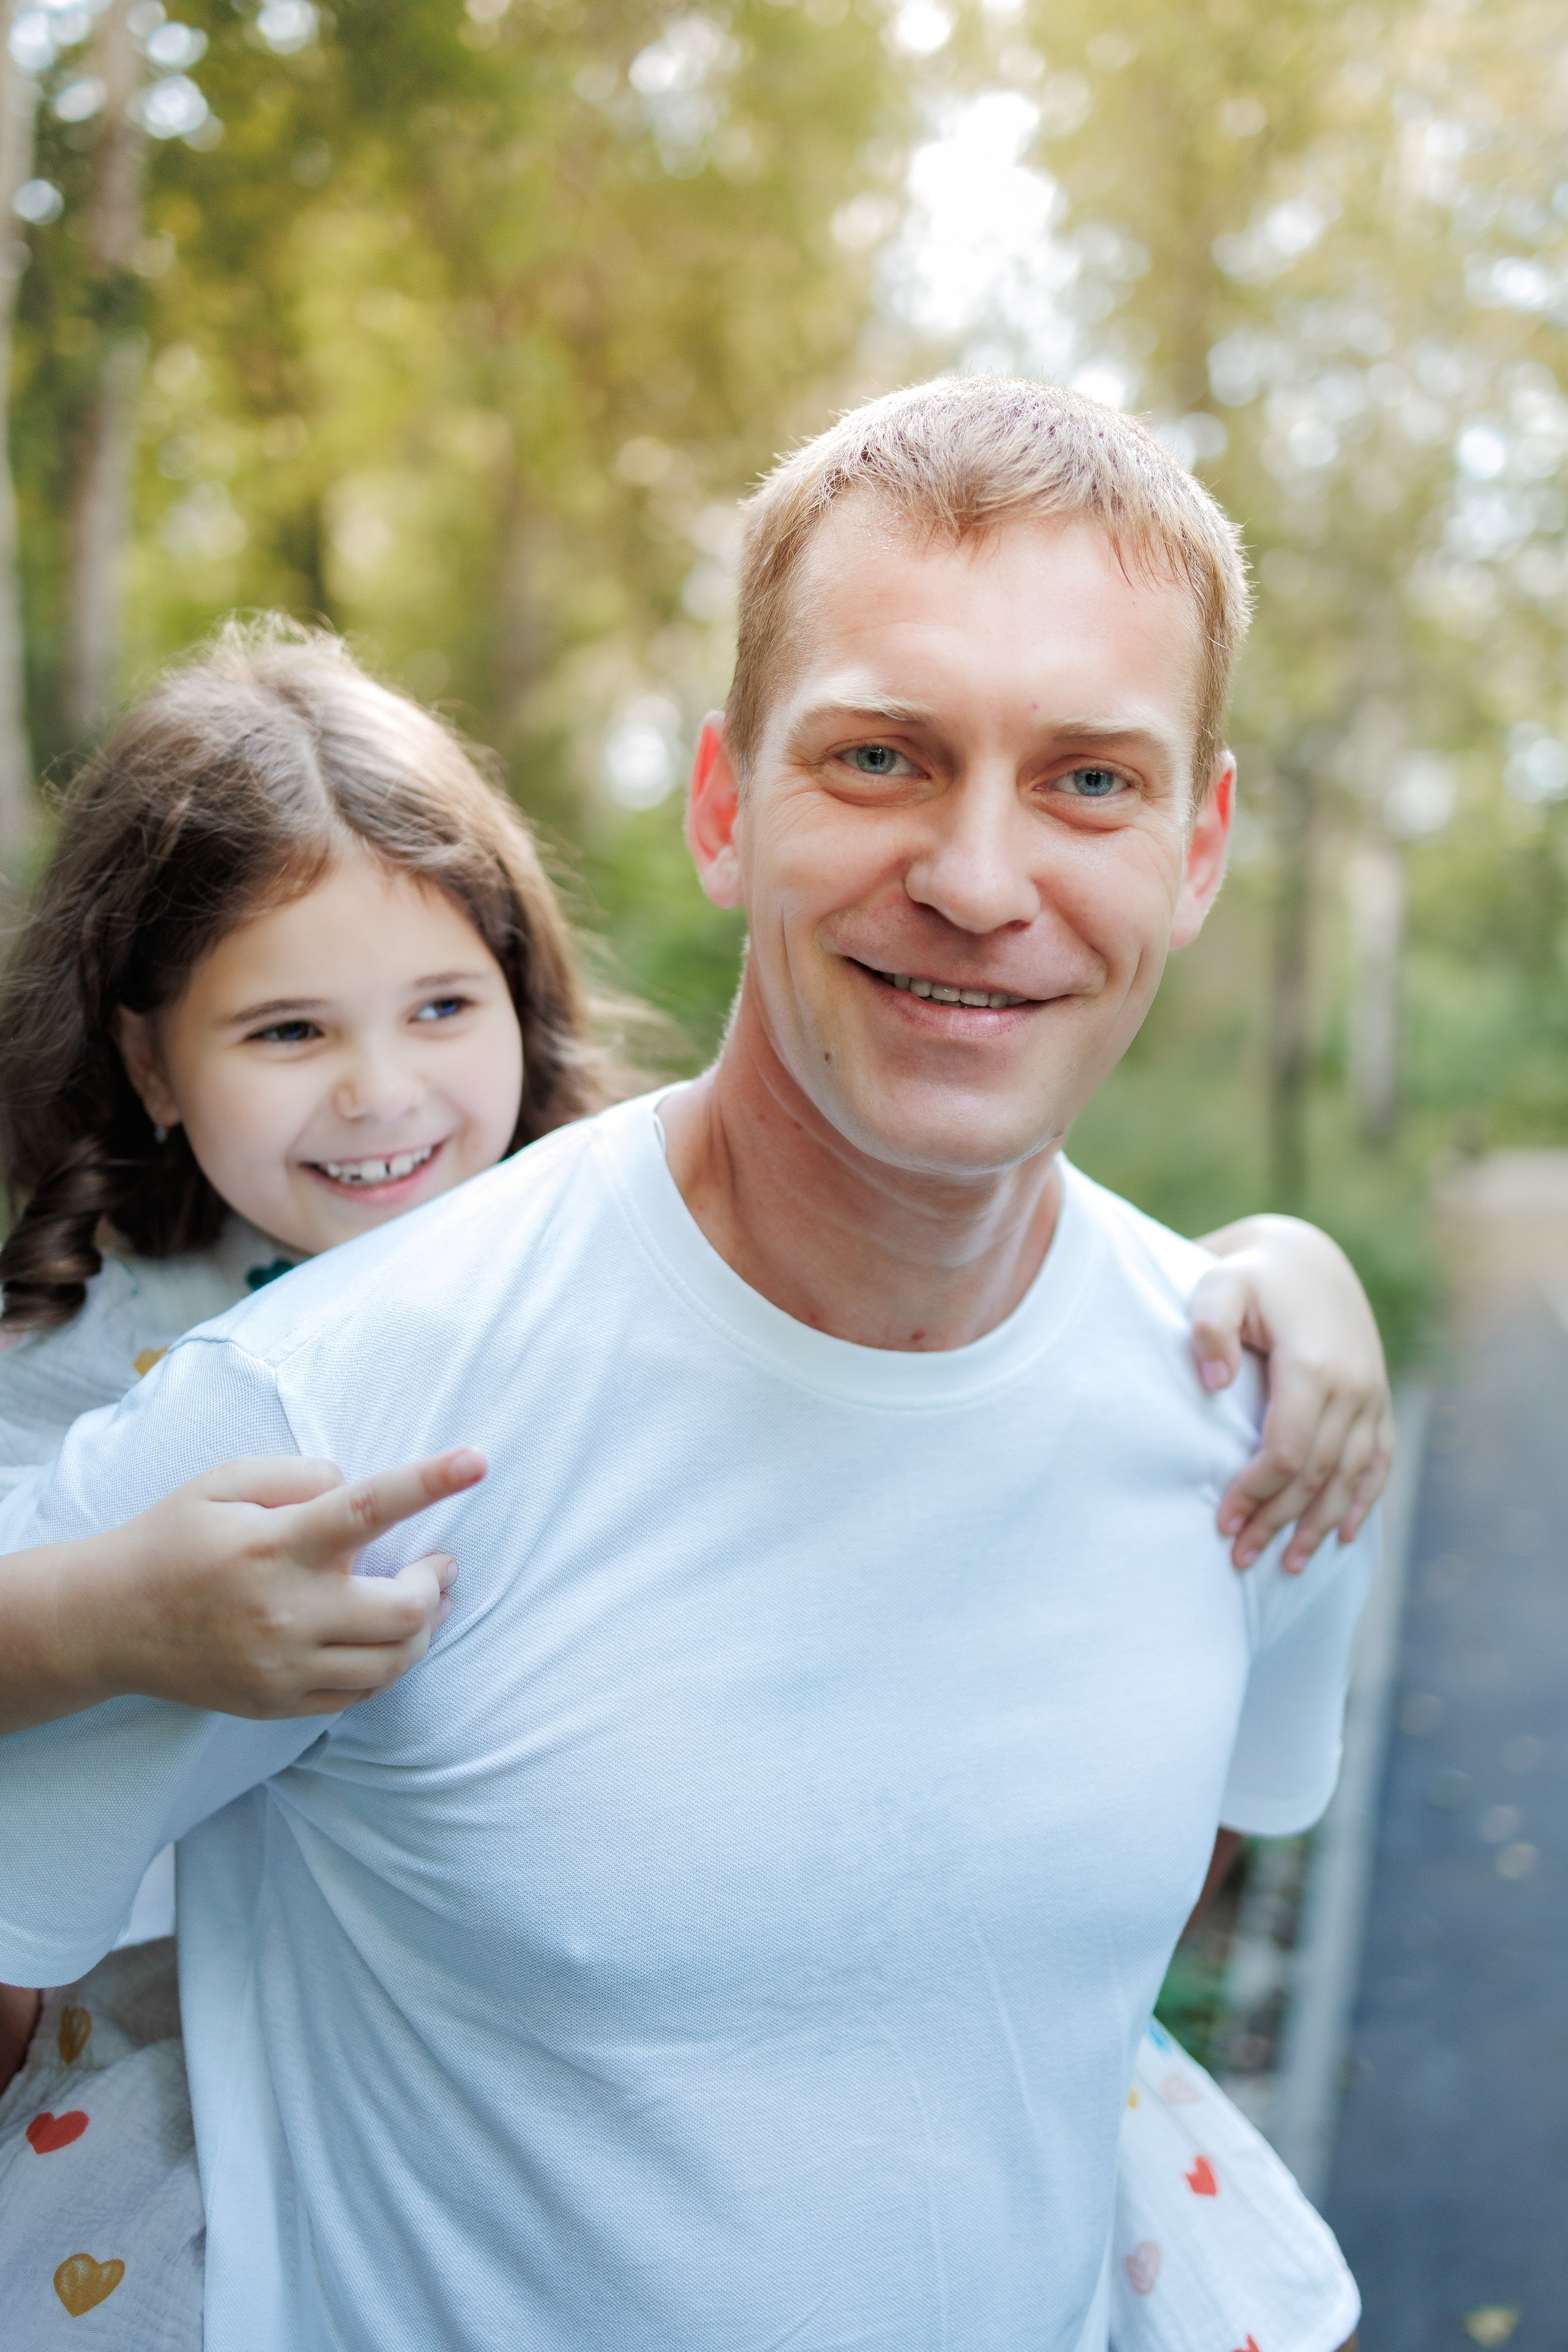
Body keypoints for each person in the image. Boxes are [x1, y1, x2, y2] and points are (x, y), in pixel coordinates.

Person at [0, 383, 1381, 2352]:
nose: (982, 881)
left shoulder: (1267, 1423)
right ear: (725, 807)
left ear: (1202, 843)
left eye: (1090, 780)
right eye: (883, 757)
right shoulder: (323, 1433)